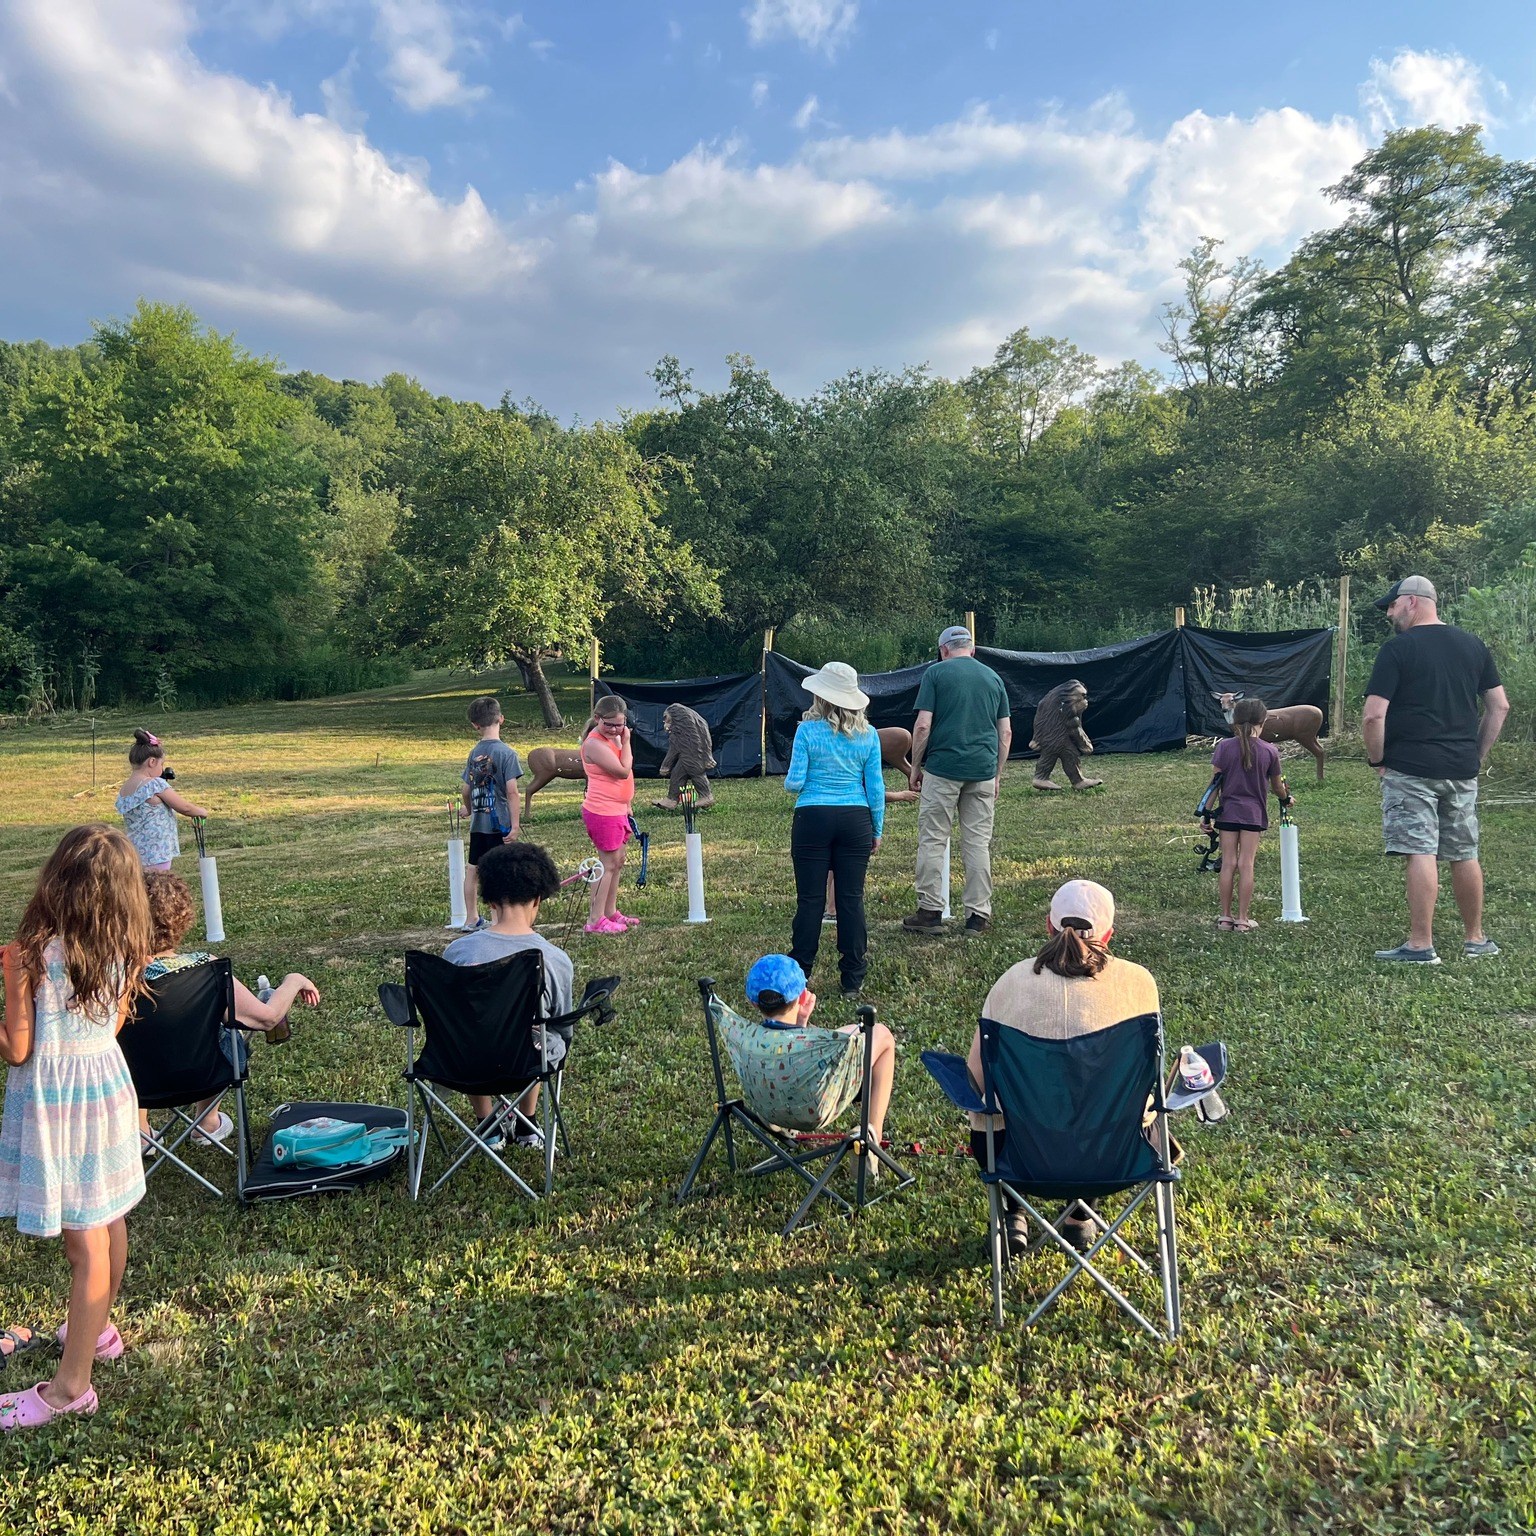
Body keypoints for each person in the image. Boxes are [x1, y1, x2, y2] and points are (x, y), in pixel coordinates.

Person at [0, 825, 152, 1430]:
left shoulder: (28, 956)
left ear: (55, 882)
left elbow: (17, 1048)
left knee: (81, 1244)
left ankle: (71, 1387)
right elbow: (110, 1025)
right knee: (107, 1219)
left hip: (59, 1109)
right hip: (107, 1094)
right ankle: (100, 1329)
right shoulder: (125, 951)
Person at [966, 879, 1160, 1254]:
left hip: (1016, 1156)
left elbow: (975, 1077)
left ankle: (1012, 1212)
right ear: (1110, 934)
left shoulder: (1010, 983)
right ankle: (1080, 1218)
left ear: (1048, 927)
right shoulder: (1139, 985)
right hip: (1115, 1157)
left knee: (990, 1115)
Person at [1362, 575, 1511, 964]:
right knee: (1464, 852)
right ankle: (1476, 940)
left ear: (1411, 602)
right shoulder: (1472, 645)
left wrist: (1377, 760)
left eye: (1392, 606)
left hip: (1410, 769)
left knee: (1419, 850)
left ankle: (1420, 944)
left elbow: (1374, 716)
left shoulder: (1398, 649)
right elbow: (1499, 707)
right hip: (1461, 768)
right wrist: (1475, 754)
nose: (1390, 614)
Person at [136, 871, 320, 1146]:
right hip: (203, 1074)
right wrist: (292, 982)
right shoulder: (206, 968)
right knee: (228, 1037)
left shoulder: (113, 976)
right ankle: (207, 1122)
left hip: (137, 1083)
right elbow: (267, 1019)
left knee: (130, 1042)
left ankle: (139, 1133)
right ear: (182, 917)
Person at [443, 842, 574, 1149]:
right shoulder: (554, 958)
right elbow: (561, 1025)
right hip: (528, 1063)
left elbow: (450, 1016)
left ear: (488, 900)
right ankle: (527, 1124)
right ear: (538, 899)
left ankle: (487, 1126)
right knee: (540, 1032)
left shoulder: (457, 952)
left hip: (462, 1064)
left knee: (471, 1029)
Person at [783, 662, 884, 1000]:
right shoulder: (868, 735)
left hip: (813, 816)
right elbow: (876, 787)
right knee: (851, 899)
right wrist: (877, 828)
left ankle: (800, 974)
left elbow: (794, 782)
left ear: (820, 696)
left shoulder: (807, 732)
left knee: (810, 900)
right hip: (856, 819)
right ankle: (852, 979)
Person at [904, 625, 1013, 936]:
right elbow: (1005, 733)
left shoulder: (936, 675)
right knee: (977, 843)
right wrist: (997, 773)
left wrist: (915, 767)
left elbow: (923, 726)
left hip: (942, 768)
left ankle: (930, 911)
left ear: (943, 651)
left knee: (933, 839)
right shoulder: (994, 678)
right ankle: (978, 916)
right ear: (973, 650)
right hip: (982, 770)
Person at [741, 955, 896, 1168]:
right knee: (882, 1036)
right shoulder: (820, 1046)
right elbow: (808, 1053)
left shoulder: (745, 1036)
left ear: (752, 1002)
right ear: (803, 995)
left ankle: (782, 1124)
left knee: (850, 1030)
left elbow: (788, 1048)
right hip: (814, 1108)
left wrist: (801, 1023)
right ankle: (871, 1136)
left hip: (767, 1103)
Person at [1201, 698, 1293, 932]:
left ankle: (1224, 917)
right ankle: (1243, 919)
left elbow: (1215, 784)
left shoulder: (1223, 747)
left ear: (1235, 720)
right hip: (1253, 814)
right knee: (1246, 863)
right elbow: (1277, 787)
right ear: (1262, 722)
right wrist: (1285, 799)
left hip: (1227, 813)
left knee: (1228, 862)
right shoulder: (1269, 751)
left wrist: (1205, 814)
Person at [460, 696, 522, 933]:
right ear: (501, 719)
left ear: (475, 725)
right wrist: (514, 826)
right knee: (499, 871)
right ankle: (499, 922)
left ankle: (471, 918)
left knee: (473, 870)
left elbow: (466, 788)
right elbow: (512, 792)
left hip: (478, 824)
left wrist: (469, 808)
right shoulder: (507, 753)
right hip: (500, 825)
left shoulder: (474, 753)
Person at [580, 695, 637, 935]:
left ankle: (610, 911)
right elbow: (623, 771)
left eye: (619, 724)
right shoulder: (594, 744)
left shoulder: (613, 738)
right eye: (609, 724)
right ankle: (595, 920)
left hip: (617, 810)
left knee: (617, 862)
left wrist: (627, 805)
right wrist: (627, 741)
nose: (614, 729)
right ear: (597, 719)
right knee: (607, 865)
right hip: (602, 812)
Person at [115, 729, 210, 871]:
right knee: (158, 887)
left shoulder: (125, 789)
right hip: (157, 852)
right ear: (152, 762)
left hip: (134, 853)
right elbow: (184, 807)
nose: (162, 769)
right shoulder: (155, 785)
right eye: (161, 764)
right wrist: (201, 811)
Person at [653, 703, 716, 811]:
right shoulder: (684, 731)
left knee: (697, 774)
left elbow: (674, 750)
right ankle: (671, 800)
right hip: (686, 757)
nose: (666, 724)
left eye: (668, 720)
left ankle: (706, 796)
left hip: (693, 757)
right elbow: (675, 749)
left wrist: (665, 766)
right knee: (677, 776)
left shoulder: (687, 731)